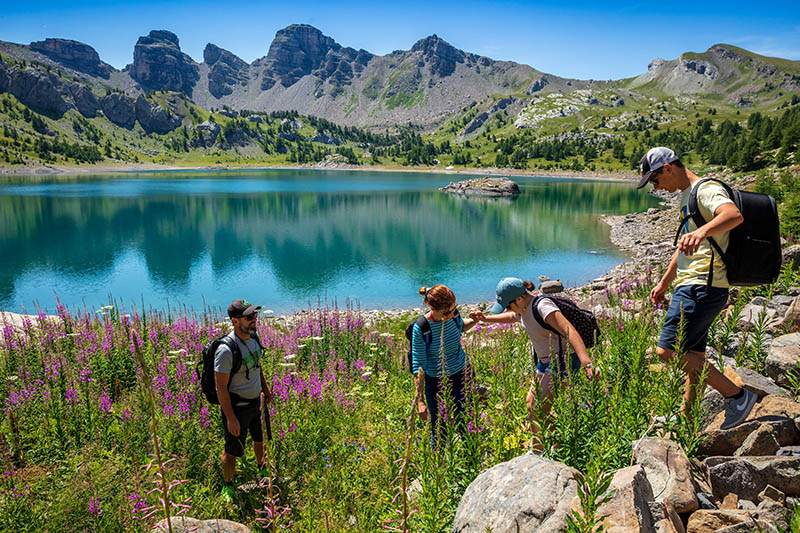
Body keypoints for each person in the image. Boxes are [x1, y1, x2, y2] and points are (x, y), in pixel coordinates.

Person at [638, 146, 756, 429]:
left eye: (655, 180)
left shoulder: (705, 189)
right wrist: (664, 283)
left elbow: (733, 215)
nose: (657, 187)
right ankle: (686, 418)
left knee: (668, 351)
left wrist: (702, 230)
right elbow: (684, 247)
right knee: (695, 357)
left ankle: (738, 396)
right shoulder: (687, 197)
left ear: (668, 168)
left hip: (702, 285)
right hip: (694, 283)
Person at [470, 278, 597, 452]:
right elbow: (512, 316)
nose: (507, 309)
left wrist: (587, 363)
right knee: (531, 405)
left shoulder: (543, 306)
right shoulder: (523, 308)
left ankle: (553, 446)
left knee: (538, 408)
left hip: (562, 361)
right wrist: (485, 318)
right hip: (544, 362)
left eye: (508, 305)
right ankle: (542, 447)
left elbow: (570, 331)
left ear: (520, 299)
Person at [215, 298, 273, 502]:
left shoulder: (253, 338)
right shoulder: (226, 351)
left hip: (257, 402)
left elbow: (257, 367)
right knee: (232, 450)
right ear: (234, 321)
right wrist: (231, 418)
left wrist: (265, 390)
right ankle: (228, 486)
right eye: (249, 316)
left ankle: (262, 470)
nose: (254, 319)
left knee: (260, 439)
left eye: (255, 315)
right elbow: (220, 388)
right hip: (237, 408)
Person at [411, 285, 479, 447]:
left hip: (463, 373)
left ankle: (472, 456)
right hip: (436, 381)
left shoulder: (453, 315)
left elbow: (461, 326)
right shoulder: (421, 329)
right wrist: (420, 400)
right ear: (432, 307)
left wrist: (475, 320)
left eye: (453, 310)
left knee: (465, 418)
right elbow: (418, 366)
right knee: (439, 425)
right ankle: (439, 463)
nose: (450, 315)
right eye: (445, 313)